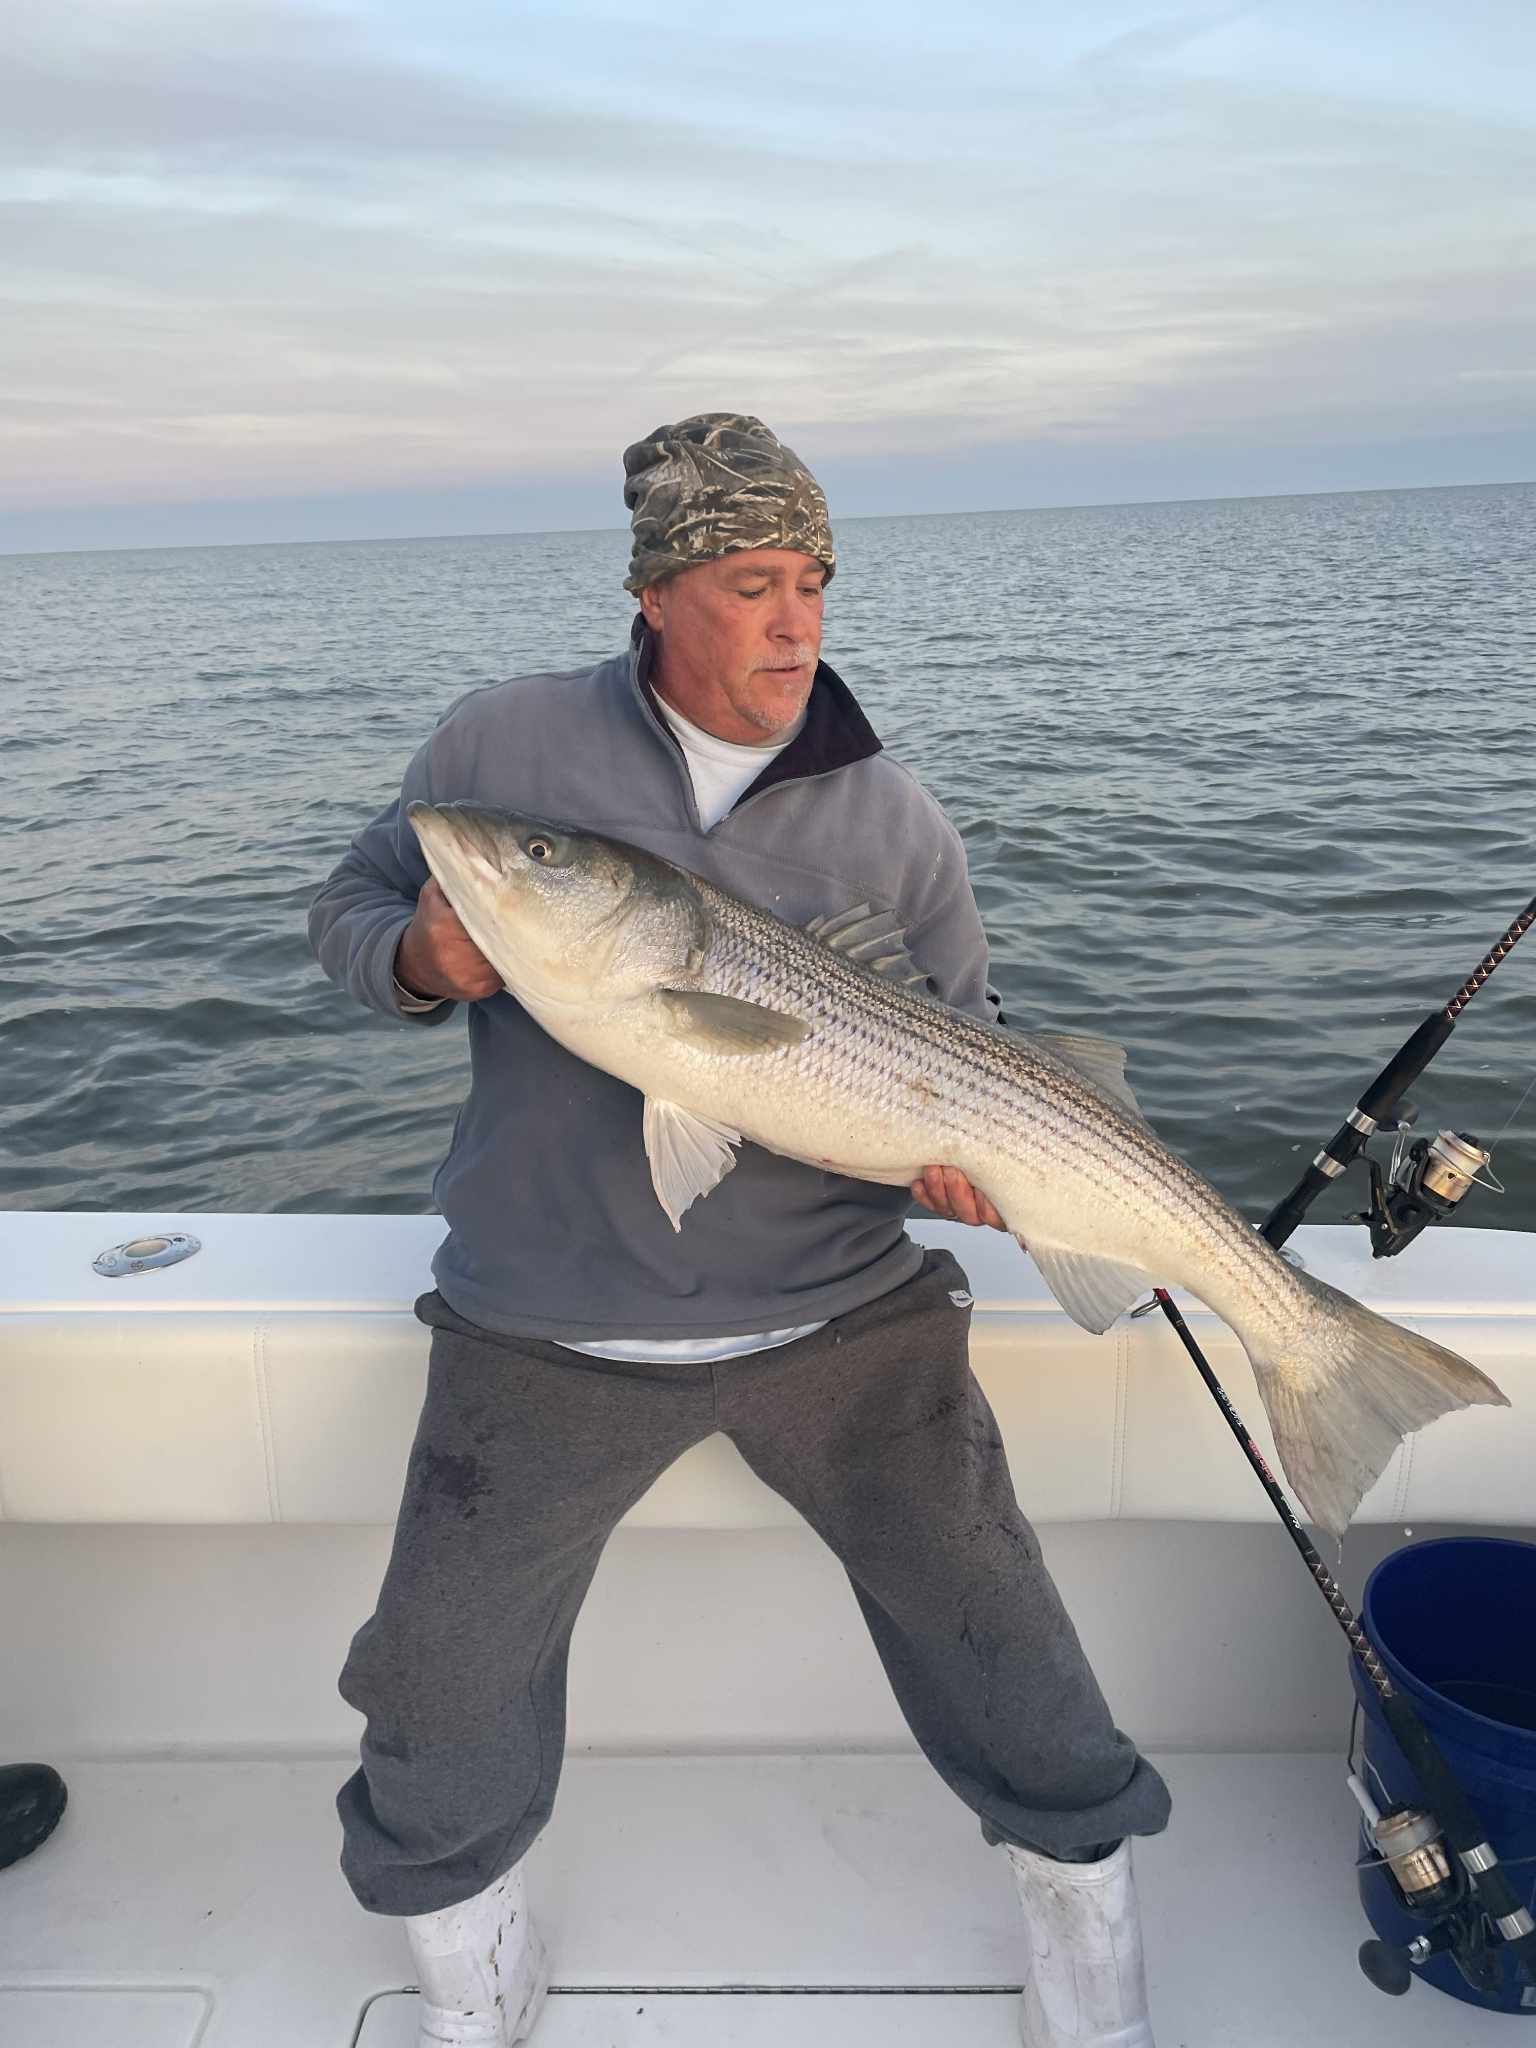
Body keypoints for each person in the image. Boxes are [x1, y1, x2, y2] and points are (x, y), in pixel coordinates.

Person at [308, 414, 1169, 2048]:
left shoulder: (890, 815)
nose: (795, 626)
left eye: (816, 584)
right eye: (752, 584)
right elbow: (350, 904)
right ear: (654, 594)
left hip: (847, 1316)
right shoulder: (501, 751)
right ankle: (468, 1984)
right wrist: (421, 954)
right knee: (435, 1687)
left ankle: (1092, 1960)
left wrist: (969, 1169)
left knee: (1006, 1643)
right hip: (542, 1322)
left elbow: (972, 1032)